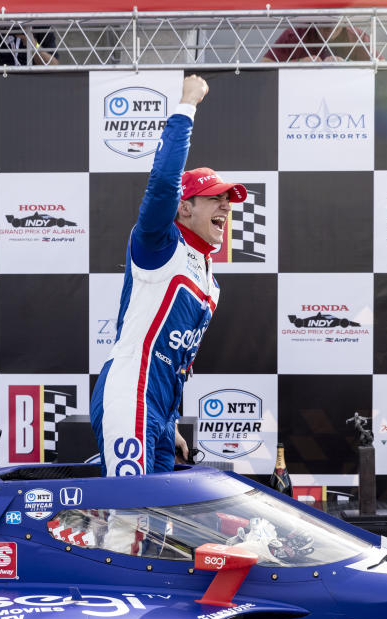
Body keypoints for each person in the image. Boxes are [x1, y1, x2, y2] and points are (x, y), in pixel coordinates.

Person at [90, 74, 247, 480]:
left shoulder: (209, 278)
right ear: (184, 210)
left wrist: (170, 420)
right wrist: (187, 105)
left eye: (227, 201)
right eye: (215, 198)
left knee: (158, 530)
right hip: (129, 395)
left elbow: (178, 360)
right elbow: (162, 184)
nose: (225, 207)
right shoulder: (159, 245)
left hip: (159, 410)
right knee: (130, 520)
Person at [261, 23, 378, 62]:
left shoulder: (356, 36)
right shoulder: (295, 34)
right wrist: (297, 63)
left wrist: (347, 65)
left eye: (335, 25)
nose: (330, 27)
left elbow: (383, 68)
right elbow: (264, 66)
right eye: (325, 25)